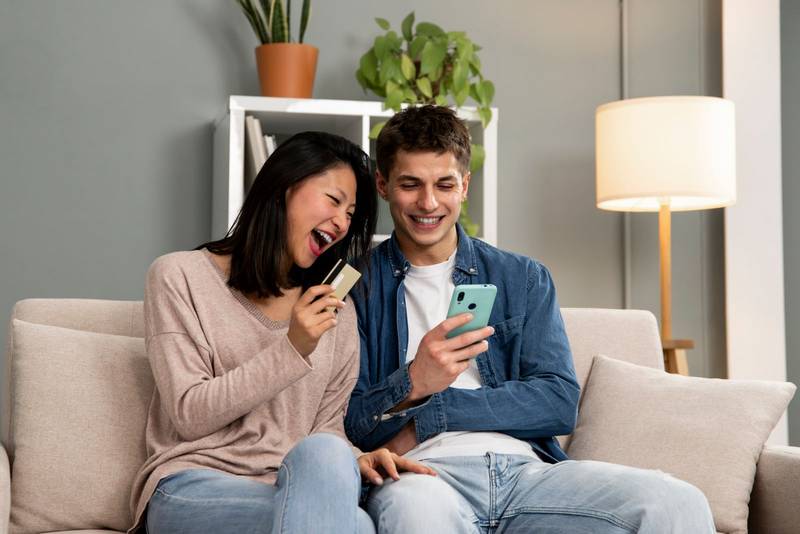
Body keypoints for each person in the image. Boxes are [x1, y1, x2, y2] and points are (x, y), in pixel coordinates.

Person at [345, 106, 717, 533]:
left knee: (677, 502)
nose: (428, 203)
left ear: (464, 186)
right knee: (416, 514)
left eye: (444, 184)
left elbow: (558, 401)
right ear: (383, 185)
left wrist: (435, 410)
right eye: (411, 185)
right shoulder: (357, 287)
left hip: (527, 472)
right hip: (423, 476)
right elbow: (349, 419)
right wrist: (414, 379)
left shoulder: (521, 278)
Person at [128, 131, 435, 534]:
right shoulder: (179, 276)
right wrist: (293, 347)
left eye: (351, 212)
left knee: (329, 462)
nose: (342, 222)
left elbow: (326, 430)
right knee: (352, 526)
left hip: (291, 484)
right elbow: (189, 413)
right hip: (193, 486)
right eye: (334, 201)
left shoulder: (335, 313)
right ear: (284, 188)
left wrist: (356, 457)